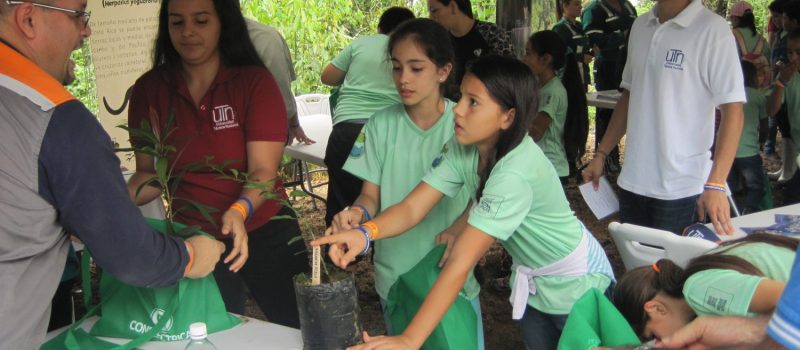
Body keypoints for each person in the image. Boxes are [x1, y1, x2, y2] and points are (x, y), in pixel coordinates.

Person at [313, 55, 614, 350]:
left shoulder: (515, 173)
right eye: (462, 98)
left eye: (474, 102)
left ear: (508, 116)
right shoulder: (464, 149)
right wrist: (365, 234)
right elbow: (412, 207)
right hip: (535, 282)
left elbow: (460, 263)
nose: (458, 110)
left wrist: (409, 339)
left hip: (579, 283)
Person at [0, 0, 224, 348]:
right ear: (28, 19)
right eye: (79, 17)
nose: (86, 30)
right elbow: (133, 256)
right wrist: (192, 255)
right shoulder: (55, 120)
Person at [126, 0, 307, 328]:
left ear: (223, 23)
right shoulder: (150, 89)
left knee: (300, 327)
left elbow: (264, 173)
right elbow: (149, 175)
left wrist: (239, 211)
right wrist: (108, 209)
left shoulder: (254, 83)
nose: (188, 32)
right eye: (177, 22)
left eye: (201, 21)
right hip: (195, 239)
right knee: (206, 331)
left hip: (264, 227)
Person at [327, 18, 483, 347]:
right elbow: (370, 196)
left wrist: (462, 226)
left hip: (449, 272)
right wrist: (355, 215)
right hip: (394, 275)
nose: (403, 79)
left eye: (416, 68)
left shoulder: (466, 125)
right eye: (397, 68)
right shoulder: (380, 125)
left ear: (443, 71)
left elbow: (487, 195)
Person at [582, 0, 746, 236]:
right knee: (639, 270)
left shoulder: (713, 29)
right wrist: (601, 154)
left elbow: (733, 111)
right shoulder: (640, 26)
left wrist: (716, 183)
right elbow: (630, 95)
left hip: (682, 188)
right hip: (633, 182)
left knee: (673, 271)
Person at [319, 7, 414, 226]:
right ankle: (378, 249)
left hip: (347, 128)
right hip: (388, 132)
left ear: (380, 27)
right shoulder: (411, 50)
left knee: (341, 198)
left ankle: (339, 253)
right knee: (386, 197)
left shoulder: (361, 43)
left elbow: (327, 77)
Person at [613, 234, 796, 341]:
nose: (664, 344)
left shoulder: (698, 289)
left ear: (656, 308)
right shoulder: (704, 266)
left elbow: (793, 302)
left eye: (656, 337)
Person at [659, 251, 800, 349]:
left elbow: (787, 302)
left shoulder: (695, 289)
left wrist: (754, 335)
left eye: (654, 336)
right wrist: (750, 330)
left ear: (655, 307)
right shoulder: (700, 274)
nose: (662, 340)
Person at [524, 30, 589, 184]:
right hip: (541, 166)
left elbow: (535, 132)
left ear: (545, 59)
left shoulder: (553, 92)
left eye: (528, 54)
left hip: (551, 169)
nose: (524, 59)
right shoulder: (542, 87)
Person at [582, 0, 637, 172]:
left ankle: (626, 157)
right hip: (607, 66)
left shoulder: (627, 6)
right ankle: (606, 158)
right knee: (606, 110)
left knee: (629, 108)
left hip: (630, 65)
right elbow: (594, 40)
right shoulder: (594, 9)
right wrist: (622, 36)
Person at [426, 0, 514, 99]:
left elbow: (507, 79)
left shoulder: (492, 34)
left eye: (434, 11)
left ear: (453, 7)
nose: (431, 17)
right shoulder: (439, 42)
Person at [246, 18, 314, 145]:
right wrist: (293, 124)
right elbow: (283, 92)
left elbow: (283, 90)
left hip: (260, 137)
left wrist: (294, 125)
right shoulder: (266, 37)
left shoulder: (265, 38)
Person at [729, 61, 768, 214]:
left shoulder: (731, 92)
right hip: (748, 152)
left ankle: (728, 213)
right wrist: (761, 142)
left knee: (728, 187)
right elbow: (765, 125)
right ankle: (747, 211)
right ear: (753, 76)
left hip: (728, 150)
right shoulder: (758, 96)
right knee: (756, 187)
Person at [767, 29, 800, 204]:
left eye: (798, 52)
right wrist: (780, 82)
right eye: (789, 52)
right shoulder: (788, 76)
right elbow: (771, 110)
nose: (793, 58)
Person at [730, 1, 772, 89]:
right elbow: (769, 60)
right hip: (758, 89)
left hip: (737, 86)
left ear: (735, 19)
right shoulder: (762, 40)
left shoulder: (730, 35)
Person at [552, 0, 593, 90]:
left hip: (582, 78)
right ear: (565, 6)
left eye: (580, 4)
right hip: (568, 80)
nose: (580, 7)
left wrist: (593, 53)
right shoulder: (560, 28)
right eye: (576, 4)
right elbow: (558, 54)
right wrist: (581, 57)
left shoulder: (580, 26)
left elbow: (584, 50)